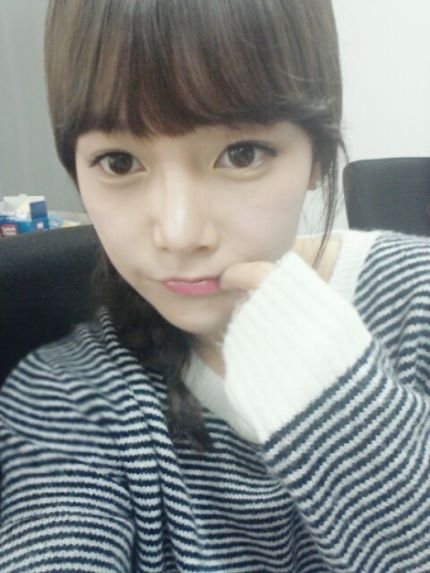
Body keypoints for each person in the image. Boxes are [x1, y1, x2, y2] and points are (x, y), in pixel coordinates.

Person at [1, 0, 430, 571]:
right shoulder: (69, 395)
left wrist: (346, 412)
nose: (179, 235)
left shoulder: (416, 301)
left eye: (241, 154)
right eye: (120, 162)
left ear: (318, 158)